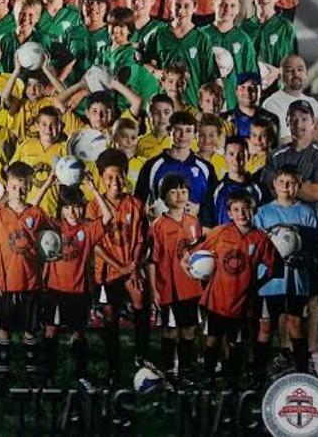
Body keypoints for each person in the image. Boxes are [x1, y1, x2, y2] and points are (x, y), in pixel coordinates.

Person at [263, 99, 318, 376]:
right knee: (284, 292)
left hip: (309, 232)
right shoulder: (277, 154)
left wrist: (287, 185)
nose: (298, 124)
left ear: (312, 122)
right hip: (280, 234)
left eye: (304, 119)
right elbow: (273, 190)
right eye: (293, 119)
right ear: (287, 122)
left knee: (311, 296)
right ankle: (285, 351)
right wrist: (298, 185)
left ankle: (313, 351)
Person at [197, 194, 279, 387]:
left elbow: (274, 267)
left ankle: (232, 379)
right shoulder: (220, 232)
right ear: (229, 213)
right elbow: (198, 255)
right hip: (218, 298)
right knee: (213, 338)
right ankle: (208, 376)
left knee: (236, 340)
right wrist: (196, 270)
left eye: (245, 209)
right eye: (236, 210)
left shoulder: (260, 238)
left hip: (242, 301)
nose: (241, 213)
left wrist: (257, 285)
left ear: (253, 211)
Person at [41, 177, 112, 391]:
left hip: (79, 291)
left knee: (78, 333)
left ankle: (81, 375)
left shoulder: (87, 228)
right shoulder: (55, 226)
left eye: (77, 207)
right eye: (67, 208)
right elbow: (34, 210)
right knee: (51, 331)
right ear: (61, 210)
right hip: (55, 290)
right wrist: (47, 185)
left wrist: (94, 190)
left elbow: (108, 216)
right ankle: (48, 375)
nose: (73, 212)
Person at [253, 165, 318, 379]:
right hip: (268, 281)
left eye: (291, 183)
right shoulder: (263, 213)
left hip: (296, 280)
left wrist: (300, 253)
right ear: (274, 184)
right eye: (281, 182)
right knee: (266, 326)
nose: (286, 186)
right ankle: (258, 375)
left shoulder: (306, 213)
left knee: (296, 324)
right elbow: (256, 244)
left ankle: (302, 373)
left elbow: (315, 246)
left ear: (298, 186)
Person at [88, 150, 149, 385]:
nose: (115, 181)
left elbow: (141, 239)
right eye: (109, 177)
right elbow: (95, 245)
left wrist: (133, 266)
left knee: (140, 302)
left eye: (120, 176)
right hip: (108, 270)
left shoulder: (136, 204)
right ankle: (114, 368)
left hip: (130, 267)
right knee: (110, 315)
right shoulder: (94, 207)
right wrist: (120, 267)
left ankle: (141, 358)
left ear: (126, 176)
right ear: (102, 178)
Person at [0, 163, 52, 381]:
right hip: (4, 281)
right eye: (14, 187)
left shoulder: (36, 213)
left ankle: (31, 368)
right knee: (4, 327)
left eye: (24, 187)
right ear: (7, 187)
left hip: (30, 281)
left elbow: (51, 240)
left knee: (30, 328)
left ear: (30, 187)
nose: (19, 191)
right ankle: (2, 369)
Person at [147, 175, 204, 386]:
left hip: (191, 287)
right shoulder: (158, 225)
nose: (179, 195)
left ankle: (186, 371)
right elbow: (152, 261)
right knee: (171, 329)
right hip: (169, 288)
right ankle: (169, 371)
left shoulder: (194, 222)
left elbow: (200, 255)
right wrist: (153, 290)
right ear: (164, 196)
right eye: (173, 191)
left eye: (183, 191)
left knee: (189, 329)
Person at [136, 111, 216, 215]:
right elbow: (137, 204)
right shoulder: (152, 166)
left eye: (188, 131)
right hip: (161, 224)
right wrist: (151, 212)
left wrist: (199, 209)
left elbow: (214, 205)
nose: (183, 135)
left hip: (195, 225)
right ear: (169, 131)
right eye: (178, 130)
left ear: (195, 134)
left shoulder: (206, 168)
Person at [261, 55, 318, 145]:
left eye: (300, 70)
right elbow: (285, 142)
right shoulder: (272, 104)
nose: (295, 74)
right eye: (289, 71)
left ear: (306, 74)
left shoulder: (313, 103)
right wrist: (314, 134)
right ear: (281, 76)